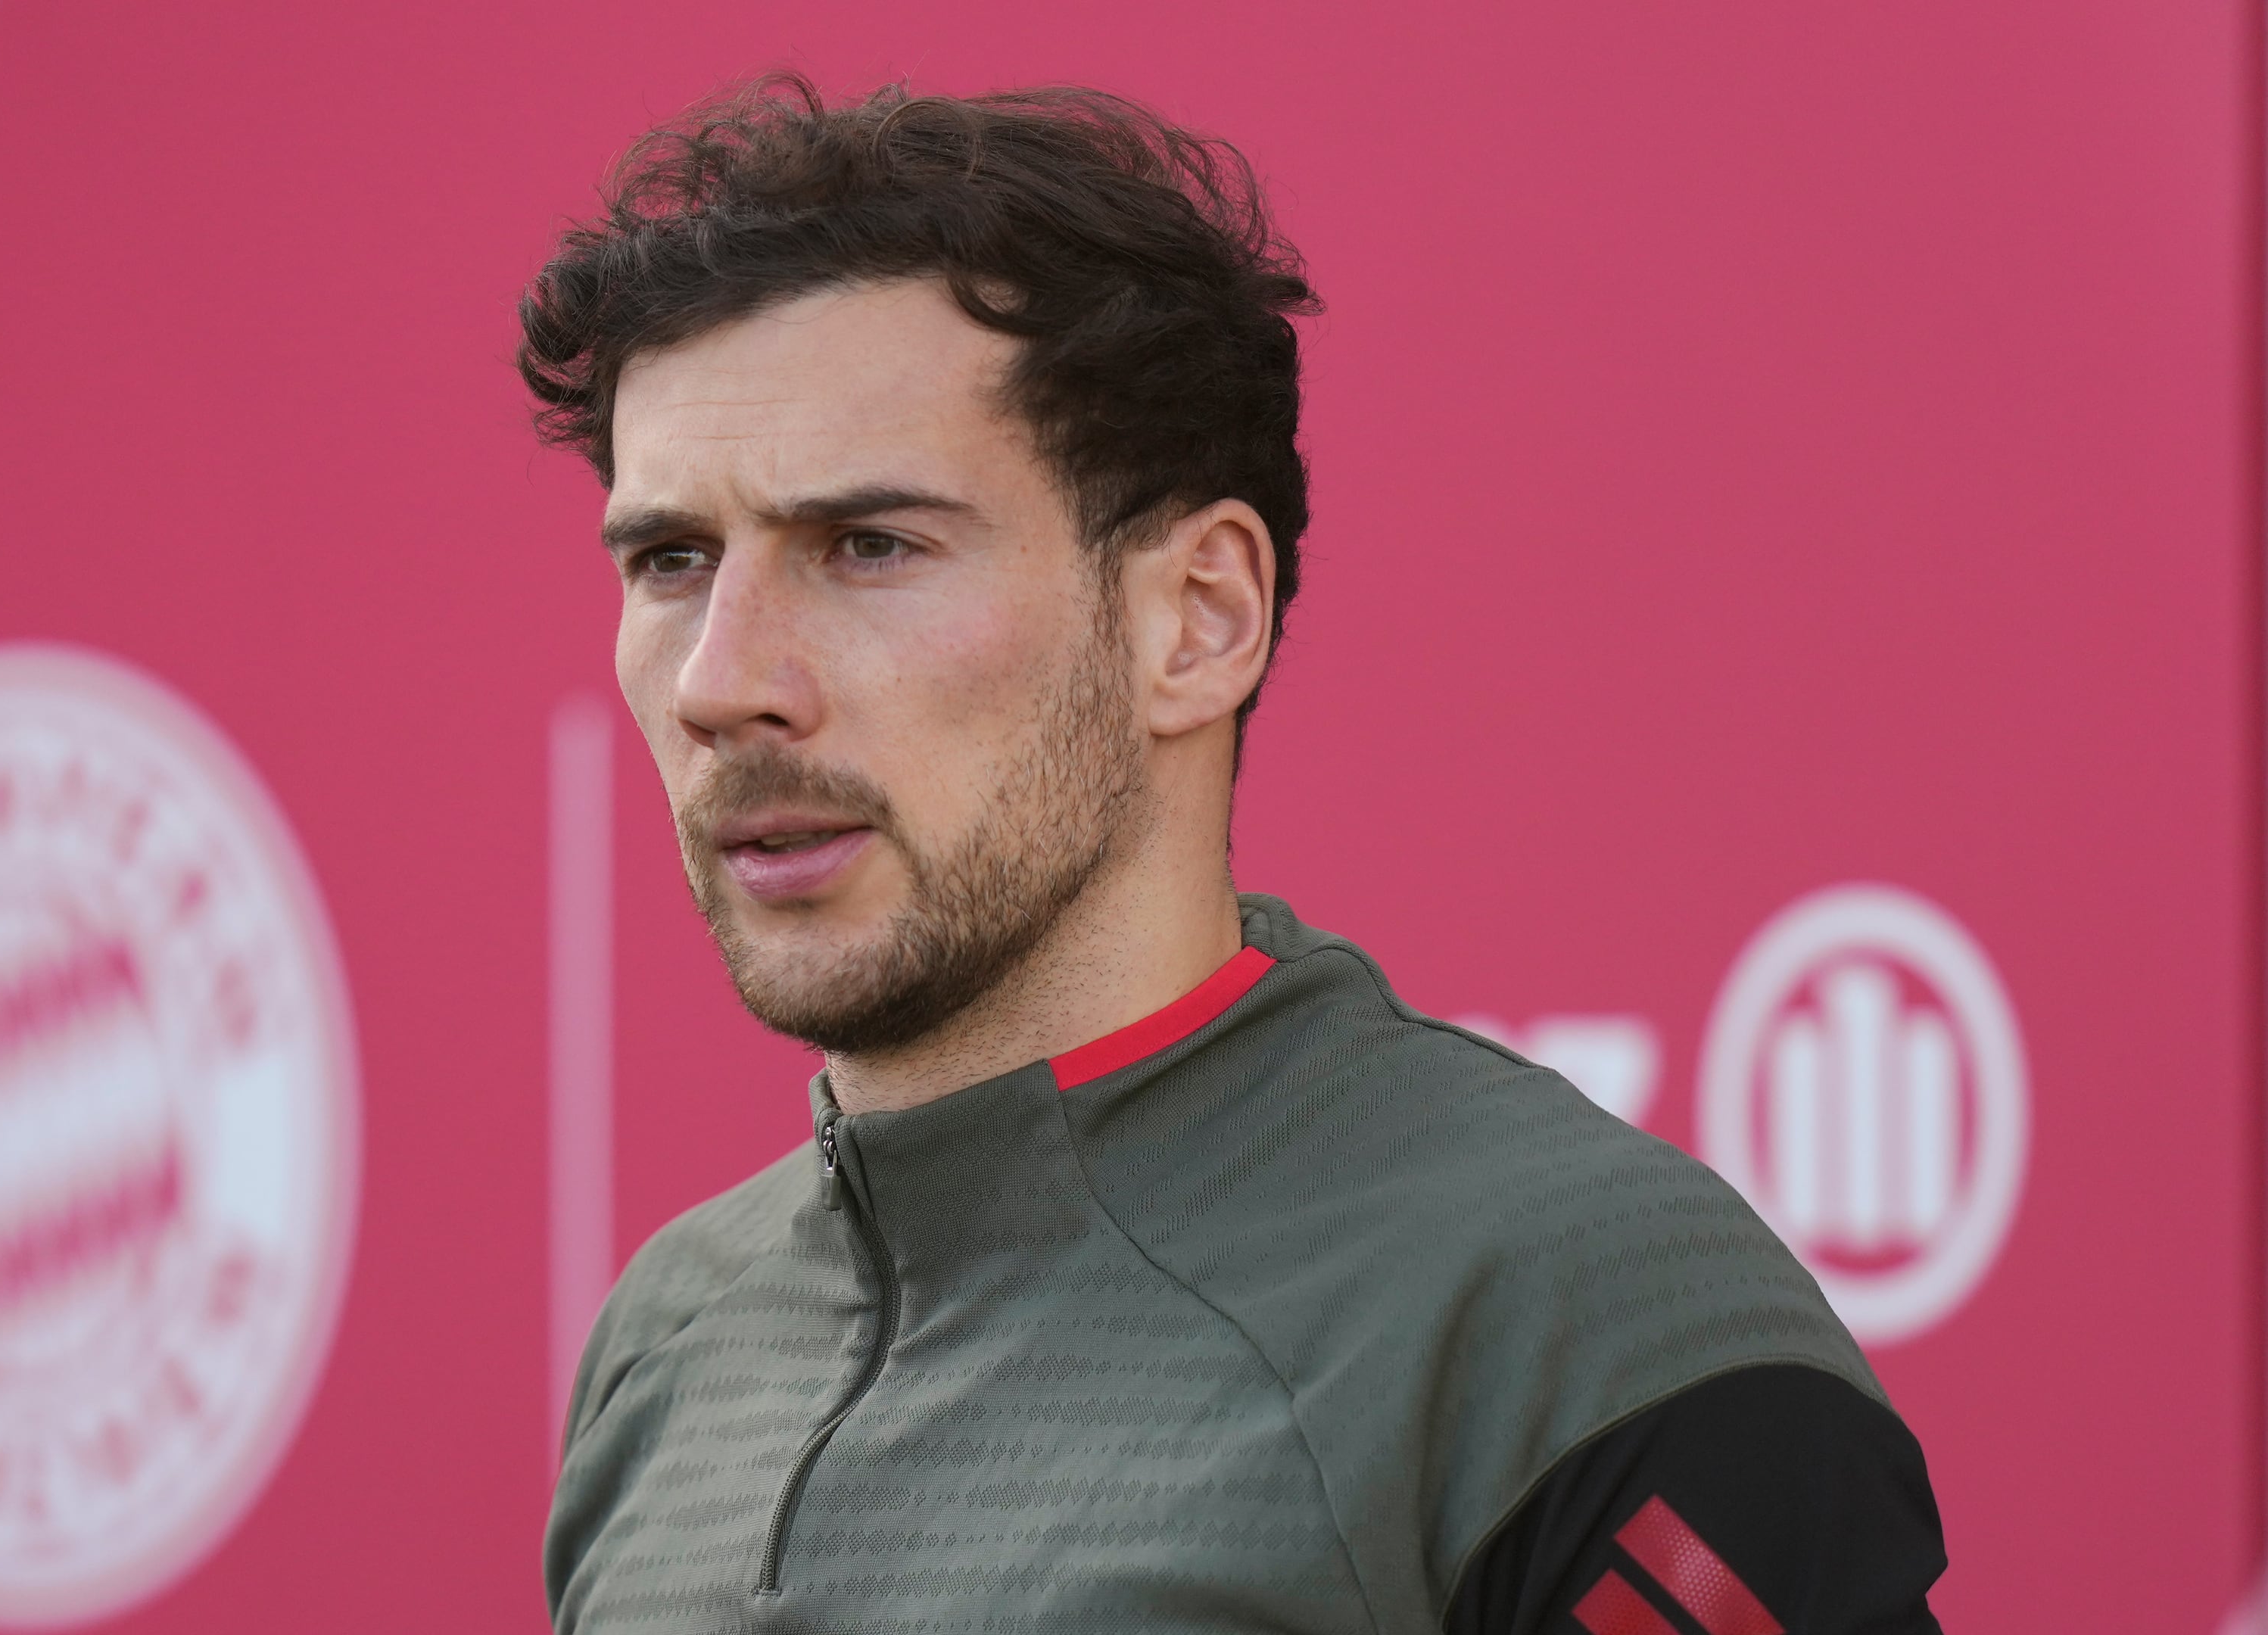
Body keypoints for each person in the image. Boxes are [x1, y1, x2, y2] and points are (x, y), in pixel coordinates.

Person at [515, 74, 1946, 1635]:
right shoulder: (669, 1347)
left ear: (1198, 620)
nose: (725, 680)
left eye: (871, 546)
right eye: (671, 562)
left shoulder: (1582, 1325)